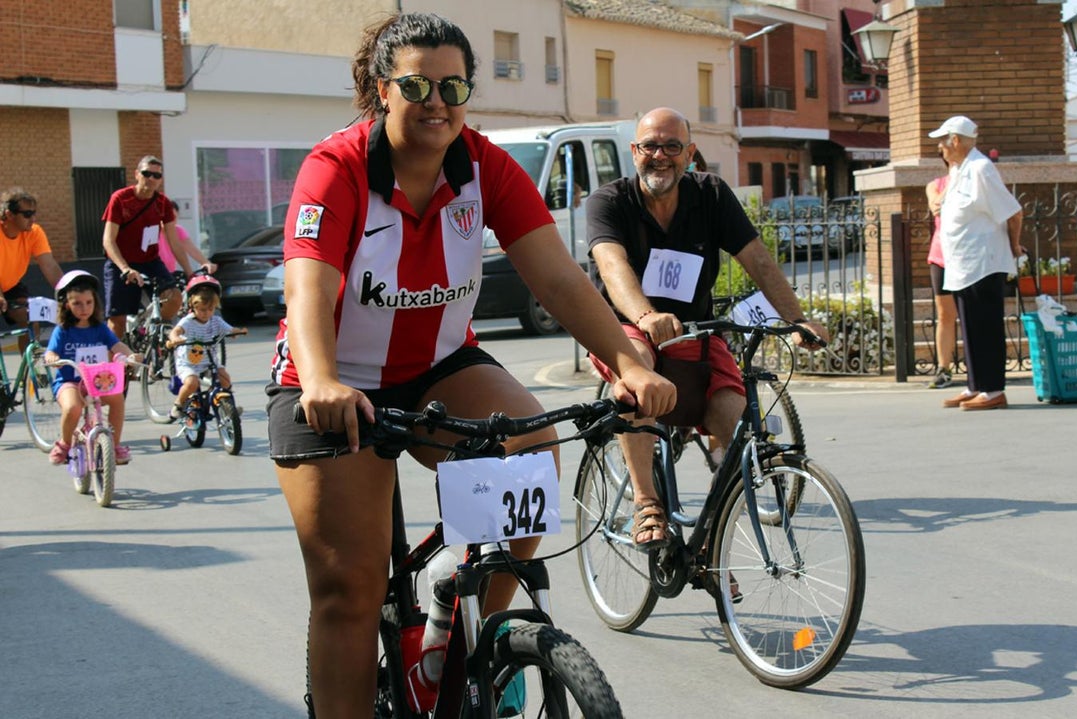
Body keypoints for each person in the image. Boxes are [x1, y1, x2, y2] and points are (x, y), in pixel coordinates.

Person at [264, 13, 675, 718]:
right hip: (328, 379)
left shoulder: (484, 164)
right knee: (350, 589)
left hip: (436, 366)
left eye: (453, 84)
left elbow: (558, 280)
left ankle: (446, 640)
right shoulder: (335, 169)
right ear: (379, 89)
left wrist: (625, 361)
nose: (437, 100)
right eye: (417, 83)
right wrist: (324, 380)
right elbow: (309, 286)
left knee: (531, 443)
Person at [584, 107, 828, 549]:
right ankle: (646, 504)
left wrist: (796, 320)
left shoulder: (711, 194)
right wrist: (644, 316)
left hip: (696, 331)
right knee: (638, 370)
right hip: (626, 327)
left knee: (734, 424)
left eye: (671, 146)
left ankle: (711, 546)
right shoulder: (610, 201)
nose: (660, 156)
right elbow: (611, 264)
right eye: (649, 146)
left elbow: (756, 259)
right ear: (634, 151)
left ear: (689, 153)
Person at [928, 115, 1023, 411]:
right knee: (970, 326)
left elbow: (1013, 212)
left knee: (985, 326)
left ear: (956, 140)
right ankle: (976, 385)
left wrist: (1012, 247)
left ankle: (993, 390)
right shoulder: (959, 170)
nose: (941, 148)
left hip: (984, 263)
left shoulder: (981, 169)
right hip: (963, 265)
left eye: (943, 141)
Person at [43, 271, 137, 465]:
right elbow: (50, 353)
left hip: (97, 382)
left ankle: (115, 446)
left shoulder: (100, 329)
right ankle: (64, 443)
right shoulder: (63, 330)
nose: (84, 308)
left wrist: (131, 355)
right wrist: (52, 358)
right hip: (70, 382)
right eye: (77, 303)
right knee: (72, 407)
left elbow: (117, 345)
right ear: (66, 304)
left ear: (95, 303)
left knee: (117, 398)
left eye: (88, 302)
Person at [101, 155, 188, 339]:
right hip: (121, 264)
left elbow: (174, 242)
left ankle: (153, 333)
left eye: (157, 176)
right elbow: (108, 240)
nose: (151, 179)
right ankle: (117, 365)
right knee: (117, 321)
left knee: (175, 298)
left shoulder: (162, 202)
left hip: (150, 261)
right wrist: (125, 269)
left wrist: (190, 272)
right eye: (147, 173)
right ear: (137, 174)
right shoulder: (120, 199)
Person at [166, 275, 246, 421]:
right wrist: (175, 338)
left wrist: (236, 332)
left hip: (209, 362)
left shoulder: (215, 321)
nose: (206, 313)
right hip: (188, 363)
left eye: (210, 309)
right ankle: (178, 405)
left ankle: (229, 406)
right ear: (193, 306)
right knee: (191, 383)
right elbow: (175, 331)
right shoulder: (188, 321)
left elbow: (228, 329)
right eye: (202, 310)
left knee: (224, 378)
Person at [0, 188, 64, 350]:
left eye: (34, 213)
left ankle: (29, 374)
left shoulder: (34, 233)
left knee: (31, 317)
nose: (33, 219)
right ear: (9, 214)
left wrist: (68, 293)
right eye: (27, 214)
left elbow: (49, 265)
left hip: (11, 285)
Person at [925, 154, 958, 389]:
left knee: (971, 314)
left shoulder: (977, 183)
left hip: (969, 257)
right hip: (941, 256)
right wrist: (953, 183)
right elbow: (937, 207)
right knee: (945, 313)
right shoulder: (936, 185)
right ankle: (944, 368)